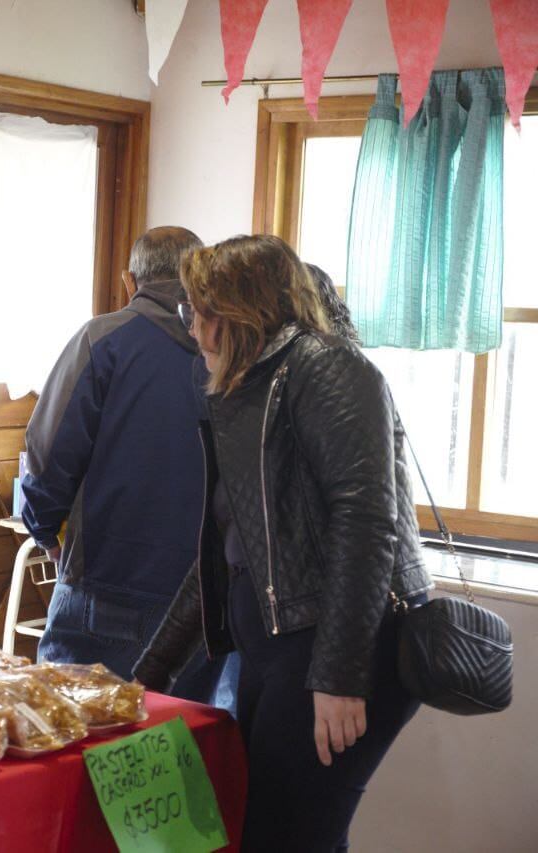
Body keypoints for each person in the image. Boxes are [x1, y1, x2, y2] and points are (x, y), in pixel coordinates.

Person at [133, 235, 433, 850]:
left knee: (292, 835)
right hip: (281, 651)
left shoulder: (326, 366)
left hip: (335, 652)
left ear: (238, 312)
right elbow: (225, 557)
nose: (192, 330)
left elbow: (367, 519)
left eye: (199, 312)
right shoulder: (247, 387)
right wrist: (147, 674)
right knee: (273, 829)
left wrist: (340, 675)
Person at [21, 226, 229, 704]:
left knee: (69, 736)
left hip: (108, 587)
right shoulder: (230, 350)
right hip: (204, 602)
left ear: (128, 280)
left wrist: (44, 531)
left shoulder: (103, 340)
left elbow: (48, 452)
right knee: (176, 748)